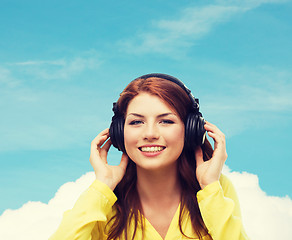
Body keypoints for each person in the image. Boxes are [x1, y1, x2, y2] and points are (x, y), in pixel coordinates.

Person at [49, 73, 249, 240]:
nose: (150, 133)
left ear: (190, 129)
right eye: (136, 122)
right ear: (119, 132)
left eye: (166, 121)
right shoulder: (103, 201)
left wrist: (210, 188)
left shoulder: (216, 189)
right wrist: (102, 187)